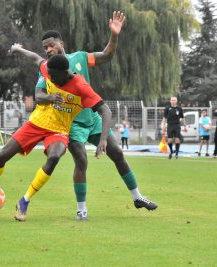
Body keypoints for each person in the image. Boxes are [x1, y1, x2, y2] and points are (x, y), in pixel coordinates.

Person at [12, 11, 157, 221]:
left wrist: (114, 35)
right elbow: (37, 73)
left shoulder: (80, 57)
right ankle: (82, 209)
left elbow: (106, 55)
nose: (49, 49)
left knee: (116, 152)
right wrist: (18, 49)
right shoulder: (47, 69)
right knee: (81, 160)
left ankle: (137, 197)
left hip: (92, 118)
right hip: (70, 124)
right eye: (45, 48)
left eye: (51, 44)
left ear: (61, 42)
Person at [0, 54, 112, 221]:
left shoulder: (81, 87)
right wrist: (19, 49)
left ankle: (24, 201)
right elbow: (36, 62)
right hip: (36, 124)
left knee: (55, 156)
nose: (51, 79)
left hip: (59, 130)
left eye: (54, 76)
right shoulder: (48, 69)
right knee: (2, 156)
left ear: (65, 72)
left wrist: (103, 139)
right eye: (49, 75)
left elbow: (106, 110)